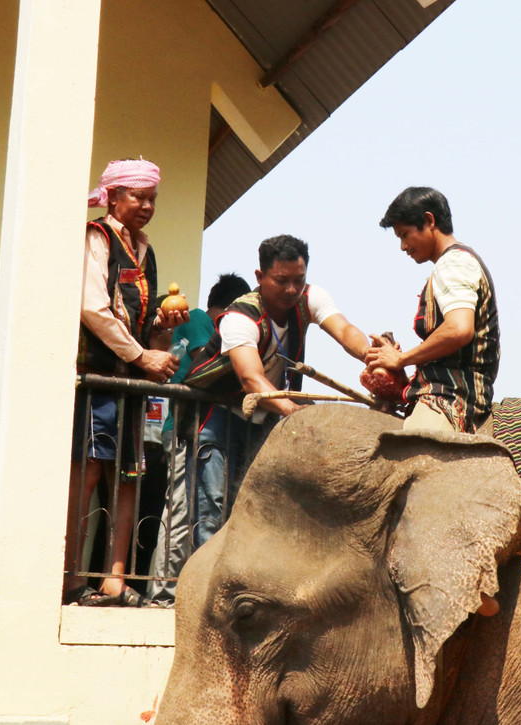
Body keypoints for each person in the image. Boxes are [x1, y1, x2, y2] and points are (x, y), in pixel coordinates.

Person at [182, 235, 368, 547]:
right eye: (282, 281)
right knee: (210, 512)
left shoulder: (309, 298)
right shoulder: (240, 316)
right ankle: (203, 592)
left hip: (264, 420)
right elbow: (251, 380)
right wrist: (295, 413)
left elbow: (346, 330)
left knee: (257, 512)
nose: (292, 290)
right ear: (260, 277)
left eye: (299, 280)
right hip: (218, 420)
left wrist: (372, 355)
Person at [64, 158, 189, 607]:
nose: (146, 205)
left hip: (129, 385)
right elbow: (92, 308)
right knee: (88, 472)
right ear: (113, 196)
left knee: (128, 476)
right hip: (98, 378)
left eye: (152, 198)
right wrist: (142, 355)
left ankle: (114, 579)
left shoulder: (144, 249)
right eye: (138, 196)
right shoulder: (95, 237)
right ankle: (68, 576)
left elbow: (144, 329)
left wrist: (161, 325)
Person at [146, 273, 250, 604]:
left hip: (181, 428)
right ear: (231, 310)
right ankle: (164, 595)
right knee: (179, 511)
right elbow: (217, 366)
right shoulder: (204, 321)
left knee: (182, 509)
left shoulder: (193, 323)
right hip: (186, 427)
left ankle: (168, 592)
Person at [365, 187, 500, 434]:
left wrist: (402, 359)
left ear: (429, 221)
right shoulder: (453, 263)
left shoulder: (453, 263)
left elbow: (459, 329)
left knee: (410, 455)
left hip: (453, 398)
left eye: (405, 234)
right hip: (445, 391)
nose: (403, 246)